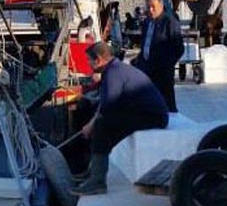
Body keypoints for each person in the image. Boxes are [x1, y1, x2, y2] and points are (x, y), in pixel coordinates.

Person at [70, 41, 169, 195]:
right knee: (99, 122)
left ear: (99, 59)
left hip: (152, 117)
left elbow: (108, 106)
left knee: (101, 126)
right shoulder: (114, 68)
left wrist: (90, 126)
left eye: (90, 60)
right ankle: (93, 170)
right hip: (144, 112)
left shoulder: (113, 73)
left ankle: (97, 181)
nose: (88, 63)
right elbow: (106, 101)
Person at [131, 0, 184, 112]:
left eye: (153, 6)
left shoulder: (170, 22)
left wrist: (167, 65)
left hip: (162, 73)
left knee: (167, 104)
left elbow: (179, 48)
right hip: (146, 70)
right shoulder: (147, 23)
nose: (150, 10)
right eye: (148, 7)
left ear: (161, 5)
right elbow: (146, 45)